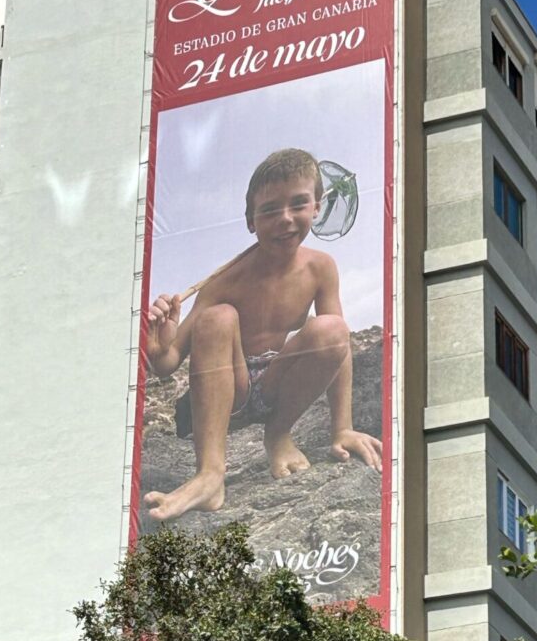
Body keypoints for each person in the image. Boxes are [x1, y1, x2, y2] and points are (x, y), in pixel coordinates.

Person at [143, 147, 382, 522]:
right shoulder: (225, 281)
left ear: (317, 208)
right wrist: (158, 344)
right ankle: (210, 474)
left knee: (333, 327)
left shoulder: (320, 268)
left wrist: (343, 428)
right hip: (229, 390)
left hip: (275, 384)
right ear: (250, 221)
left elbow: (340, 349)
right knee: (217, 318)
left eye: (298, 204)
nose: (285, 219)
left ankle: (278, 434)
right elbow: (167, 363)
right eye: (269, 210)